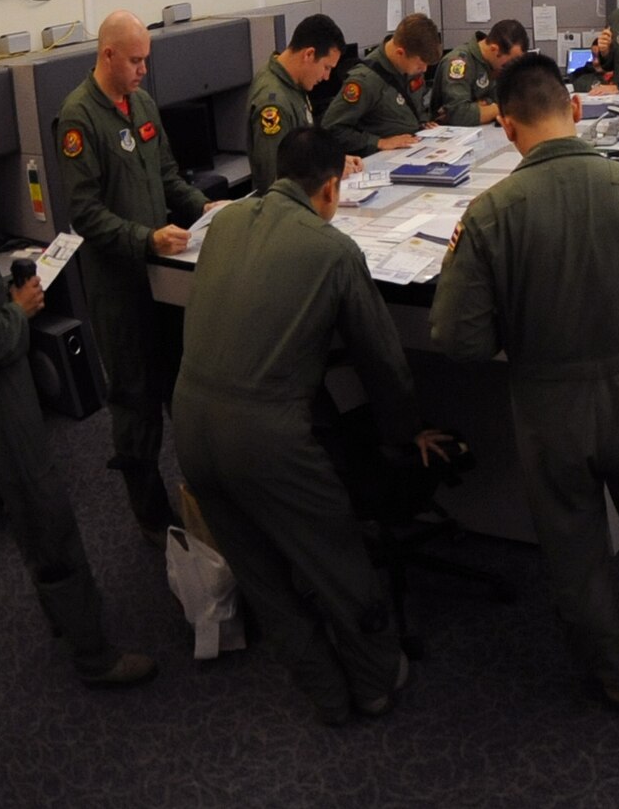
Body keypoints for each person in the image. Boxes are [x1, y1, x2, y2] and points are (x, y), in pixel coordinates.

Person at [430, 57, 619, 722]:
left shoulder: (488, 216)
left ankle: (616, 676)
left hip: (549, 411)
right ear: (574, 111)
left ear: (508, 128)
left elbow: (458, 338)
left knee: (576, 556)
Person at [173, 128, 449, 725]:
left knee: (264, 580)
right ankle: (375, 683)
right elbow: (382, 362)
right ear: (331, 189)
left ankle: (325, 693)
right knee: (336, 562)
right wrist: (407, 431)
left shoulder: (222, 224)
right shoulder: (333, 250)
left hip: (190, 424)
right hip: (267, 442)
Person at [0, 90, 156, 687]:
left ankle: (63, 617)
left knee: (28, 518)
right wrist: (20, 307)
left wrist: (5, 296)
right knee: (49, 521)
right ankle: (95, 654)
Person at [54, 9, 208, 542]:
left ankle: (199, 499)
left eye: (147, 59)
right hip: (119, 288)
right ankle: (151, 519)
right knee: (135, 401)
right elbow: (86, 213)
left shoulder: (140, 102)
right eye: (136, 60)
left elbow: (166, 176)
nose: (144, 69)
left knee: (179, 386)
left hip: (163, 279)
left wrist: (206, 208)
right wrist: (145, 238)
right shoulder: (78, 119)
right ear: (108, 55)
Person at [246, 12, 354, 193]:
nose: (327, 77)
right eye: (326, 67)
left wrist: (330, 164)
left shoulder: (292, 82)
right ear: (309, 54)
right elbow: (274, 181)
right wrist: (325, 177)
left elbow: (299, 155)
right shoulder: (273, 104)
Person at [320, 13, 441, 155]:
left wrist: (423, 123)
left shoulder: (409, 64)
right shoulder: (366, 80)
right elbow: (331, 129)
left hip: (414, 149)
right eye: (420, 65)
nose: (424, 70)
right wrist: (379, 142)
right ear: (400, 53)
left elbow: (415, 104)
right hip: (380, 158)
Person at [433, 19, 528, 126]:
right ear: (494, 49)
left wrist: (486, 105)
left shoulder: (493, 63)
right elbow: (459, 114)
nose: (511, 67)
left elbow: (511, 99)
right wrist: (500, 108)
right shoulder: (459, 62)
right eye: (510, 61)